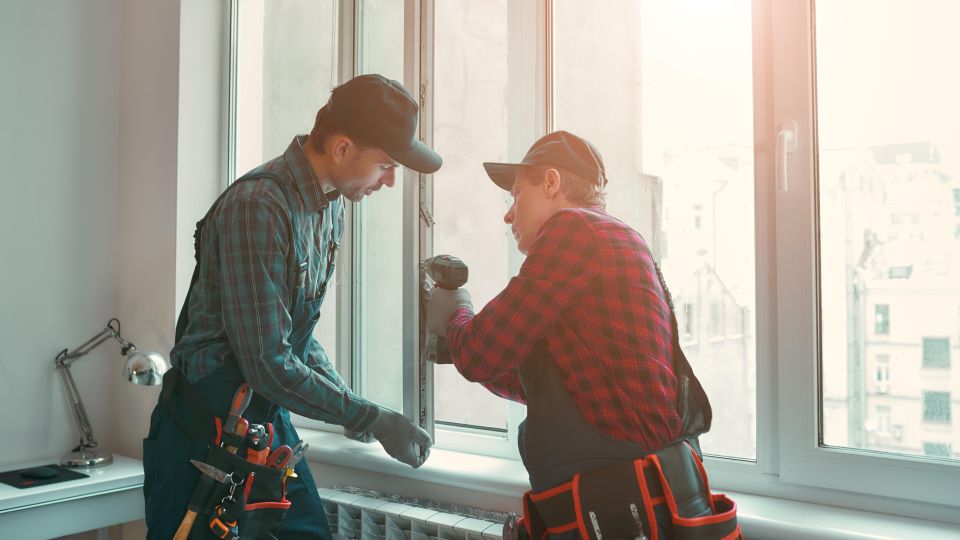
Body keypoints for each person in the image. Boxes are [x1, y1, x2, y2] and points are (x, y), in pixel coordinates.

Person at [144, 74, 438, 540]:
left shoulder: (331, 206)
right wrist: (370, 417)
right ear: (342, 148)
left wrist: (350, 405)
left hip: (264, 421)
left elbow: (296, 335)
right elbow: (269, 363)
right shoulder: (258, 206)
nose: (389, 180)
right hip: (205, 431)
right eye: (385, 165)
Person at [427, 131, 736, 539]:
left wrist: (456, 310)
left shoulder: (574, 230)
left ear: (551, 182)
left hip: (623, 500)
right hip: (656, 492)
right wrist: (457, 343)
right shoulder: (621, 240)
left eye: (516, 196)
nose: (508, 215)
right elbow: (543, 383)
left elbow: (481, 353)